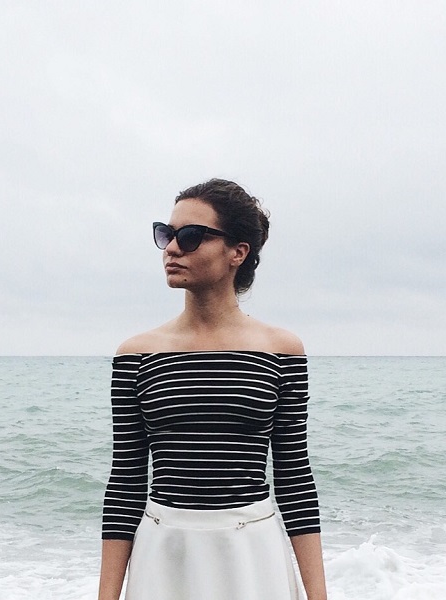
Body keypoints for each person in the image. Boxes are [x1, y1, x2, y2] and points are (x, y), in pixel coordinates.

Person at [98, 179, 327, 600]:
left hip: (252, 556)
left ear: (237, 252)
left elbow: (294, 475)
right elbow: (126, 482)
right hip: (165, 554)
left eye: (189, 236)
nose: (171, 248)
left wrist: (318, 594)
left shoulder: (281, 351)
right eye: (166, 235)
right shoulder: (136, 354)